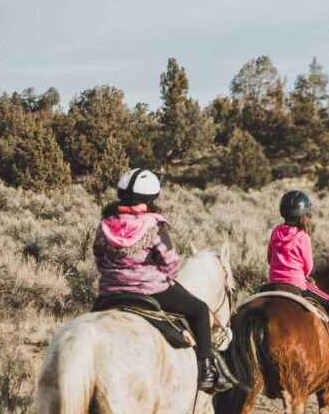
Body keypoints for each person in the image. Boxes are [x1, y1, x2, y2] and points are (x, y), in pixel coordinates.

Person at [93, 168, 231, 393]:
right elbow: (170, 264)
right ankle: (206, 367)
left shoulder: (106, 224)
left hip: (111, 292)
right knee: (199, 309)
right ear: (150, 198)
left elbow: (99, 258)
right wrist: (162, 277)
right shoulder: (153, 225)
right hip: (150, 290)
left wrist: (115, 275)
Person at [267, 190, 329, 355]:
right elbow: (308, 266)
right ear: (303, 216)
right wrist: (304, 274)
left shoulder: (275, 232)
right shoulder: (302, 236)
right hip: (296, 283)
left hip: (273, 281)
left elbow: (269, 258)